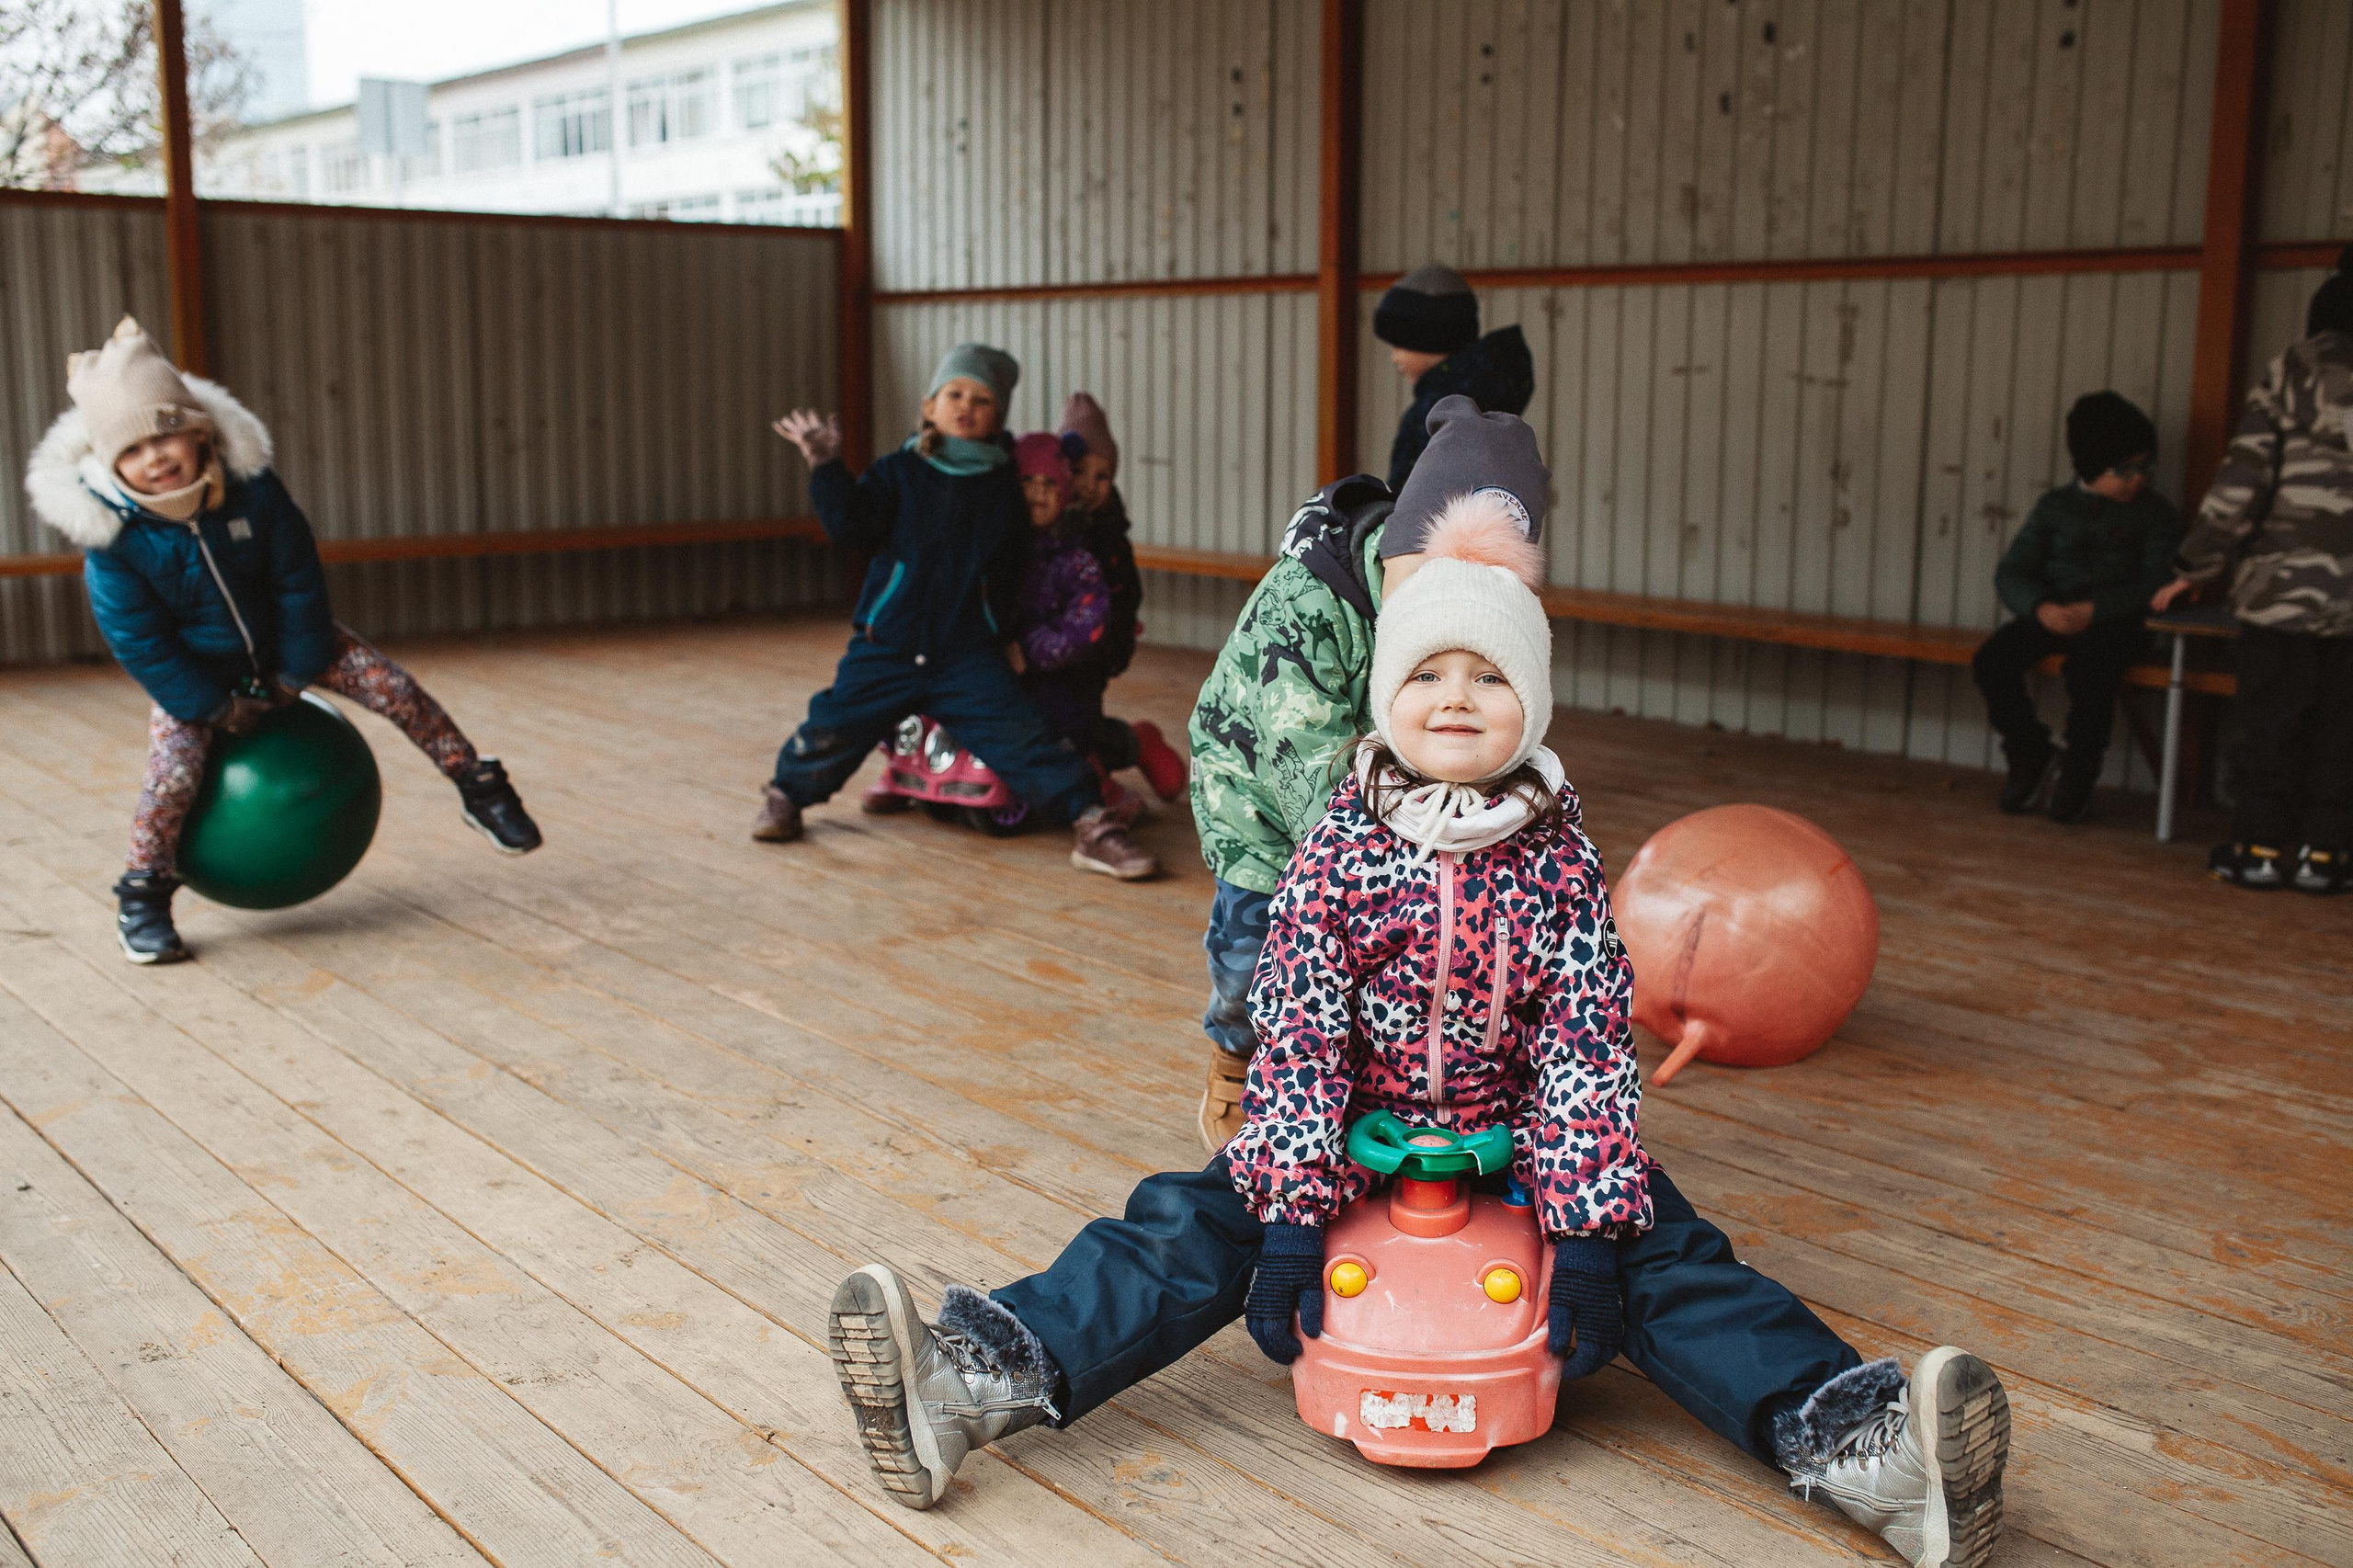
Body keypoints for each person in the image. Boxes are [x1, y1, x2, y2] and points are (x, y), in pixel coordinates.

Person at [825, 477, 2011, 1568]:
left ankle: (1863, 1452)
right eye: (1427, 673)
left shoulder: (1558, 860)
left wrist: (1584, 1223)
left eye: (1489, 677)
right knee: (1182, 1225)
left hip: (1518, 1138)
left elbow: (1586, 1042)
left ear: (1531, 701)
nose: (1454, 696)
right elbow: (1301, 1031)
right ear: (1385, 694)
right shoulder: (1338, 848)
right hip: (1352, 1129)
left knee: (1674, 1258)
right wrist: (1293, 1207)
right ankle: (970, 1383)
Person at [23, 317, 541, 966]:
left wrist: (297, 668)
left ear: (199, 430)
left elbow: (297, 580)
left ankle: (478, 785)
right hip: (199, 677)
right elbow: (140, 642)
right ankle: (145, 894)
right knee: (171, 777)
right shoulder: (113, 543)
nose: (154, 458)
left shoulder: (254, 494)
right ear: (107, 463)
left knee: (395, 688)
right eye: (131, 451)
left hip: (290, 643)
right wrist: (212, 707)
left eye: (165, 435)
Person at [759, 344, 1156, 881]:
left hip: (966, 656)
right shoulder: (897, 472)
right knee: (835, 722)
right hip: (889, 644)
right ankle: (785, 797)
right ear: (929, 407)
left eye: (982, 399)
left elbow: (1018, 567)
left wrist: (1011, 636)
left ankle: (1092, 823)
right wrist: (826, 466)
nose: (966, 405)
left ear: (998, 419)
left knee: (1025, 737)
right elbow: (850, 527)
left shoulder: (1003, 489)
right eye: (955, 394)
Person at [2154, 249, 2353, 893]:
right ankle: (2326, 857)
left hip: (2282, 593)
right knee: (2343, 729)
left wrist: (2195, 567)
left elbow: (2243, 481)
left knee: (2273, 723)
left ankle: (2261, 850)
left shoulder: (2294, 371)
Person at [1970, 392, 2181, 823]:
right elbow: (2012, 571)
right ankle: (2030, 752)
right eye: (2125, 470)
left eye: (2146, 467)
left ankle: (2079, 773)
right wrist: (2041, 607)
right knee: (1992, 660)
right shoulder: (2055, 508)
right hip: (2054, 614)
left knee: (2091, 670)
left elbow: (2156, 582)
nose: (2138, 479)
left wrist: (2096, 610)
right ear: (2090, 467)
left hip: (2117, 622)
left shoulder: (2155, 514)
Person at [1056, 392, 1187, 801]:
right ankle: (1126, 747)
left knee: (1078, 725)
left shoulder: (1110, 532)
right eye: (1080, 471)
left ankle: (1132, 748)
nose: (1090, 485)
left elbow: (1127, 592)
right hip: (1046, 646)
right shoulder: (1048, 521)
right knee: (1051, 723)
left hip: (1092, 653)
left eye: (1103, 476)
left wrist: (1116, 645)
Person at [1372, 264, 1535, 489]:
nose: (1393, 358)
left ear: (1430, 339)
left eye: (1398, 345)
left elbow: (1413, 494)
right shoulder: (1487, 395)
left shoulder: (1439, 410)